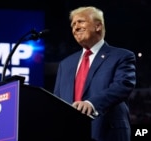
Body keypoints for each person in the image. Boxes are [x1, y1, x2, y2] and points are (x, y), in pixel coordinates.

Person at [53, 6, 136, 141]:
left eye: (81, 22)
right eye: (73, 24)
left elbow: (123, 86)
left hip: (107, 133)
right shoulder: (65, 64)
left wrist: (92, 104)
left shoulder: (121, 56)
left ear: (98, 26)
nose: (75, 27)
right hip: (71, 134)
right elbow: (56, 101)